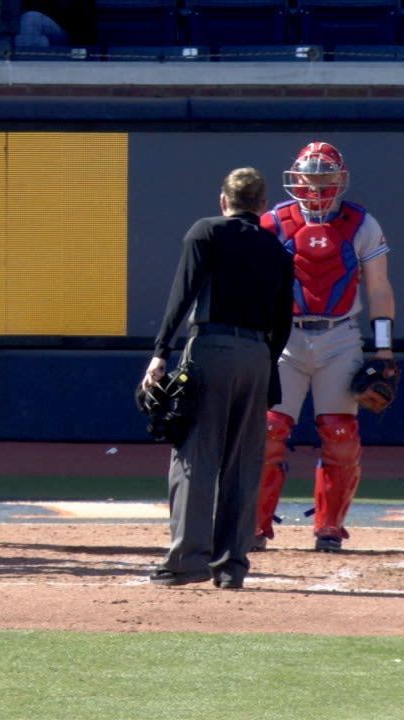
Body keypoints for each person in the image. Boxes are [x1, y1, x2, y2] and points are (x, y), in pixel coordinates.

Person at [140, 167, 294, 589]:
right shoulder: (278, 250)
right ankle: (232, 566)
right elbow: (283, 322)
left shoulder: (206, 231)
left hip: (211, 347)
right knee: (244, 462)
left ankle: (187, 561)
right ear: (263, 206)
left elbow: (182, 292)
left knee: (195, 456)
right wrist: (268, 372)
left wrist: (159, 353)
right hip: (258, 356)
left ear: (223, 201)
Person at [253, 142, 397, 553]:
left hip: (339, 334)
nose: (317, 188)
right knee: (267, 430)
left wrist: (383, 349)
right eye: (310, 179)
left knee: (340, 434)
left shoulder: (361, 223)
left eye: (325, 179)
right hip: (285, 336)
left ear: (340, 179)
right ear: (296, 179)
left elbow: (379, 286)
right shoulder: (274, 222)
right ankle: (256, 524)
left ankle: (330, 527)